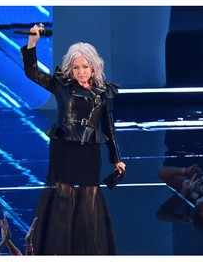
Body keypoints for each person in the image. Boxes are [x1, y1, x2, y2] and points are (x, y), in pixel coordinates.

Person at [19, 24, 126, 255]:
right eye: (76, 67)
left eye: (85, 66)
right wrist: (32, 44)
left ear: (93, 67)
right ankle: (59, 249)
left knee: (90, 198)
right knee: (63, 197)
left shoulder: (103, 92)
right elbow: (32, 72)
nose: (81, 71)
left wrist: (116, 158)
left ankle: (87, 251)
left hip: (89, 150)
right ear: (70, 68)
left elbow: (108, 127)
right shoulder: (61, 85)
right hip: (64, 148)